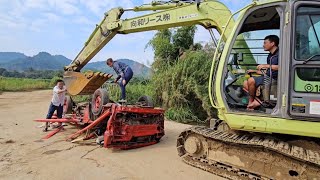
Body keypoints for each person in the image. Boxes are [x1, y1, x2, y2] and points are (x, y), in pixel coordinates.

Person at [243, 35, 279, 110]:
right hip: (268, 76)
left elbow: (282, 67)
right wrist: (255, 71)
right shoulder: (270, 56)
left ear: (272, 43)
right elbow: (267, 71)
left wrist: (266, 65)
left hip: (275, 78)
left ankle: (251, 103)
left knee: (251, 80)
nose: (263, 45)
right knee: (245, 83)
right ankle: (259, 102)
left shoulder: (281, 54)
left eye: (265, 43)